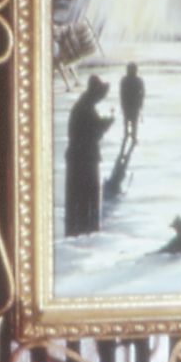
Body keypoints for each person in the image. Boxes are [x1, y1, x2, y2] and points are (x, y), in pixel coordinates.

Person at [64, 75, 114, 237]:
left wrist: (102, 125)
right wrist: (105, 125)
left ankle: (81, 228)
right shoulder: (85, 109)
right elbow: (91, 132)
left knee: (80, 197)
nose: (100, 98)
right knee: (86, 196)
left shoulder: (84, 106)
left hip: (79, 157)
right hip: (85, 158)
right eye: (100, 95)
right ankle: (85, 229)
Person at [119, 62, 145, 157]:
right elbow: (142, 93)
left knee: (131, 120)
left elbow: (142, 93)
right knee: (132, 120)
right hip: (132, 103)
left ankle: (130, 135)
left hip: (130, 103)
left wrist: (140, 102)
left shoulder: (125, 80)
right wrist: (141, 102)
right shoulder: (137, 80)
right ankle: (131, 136)